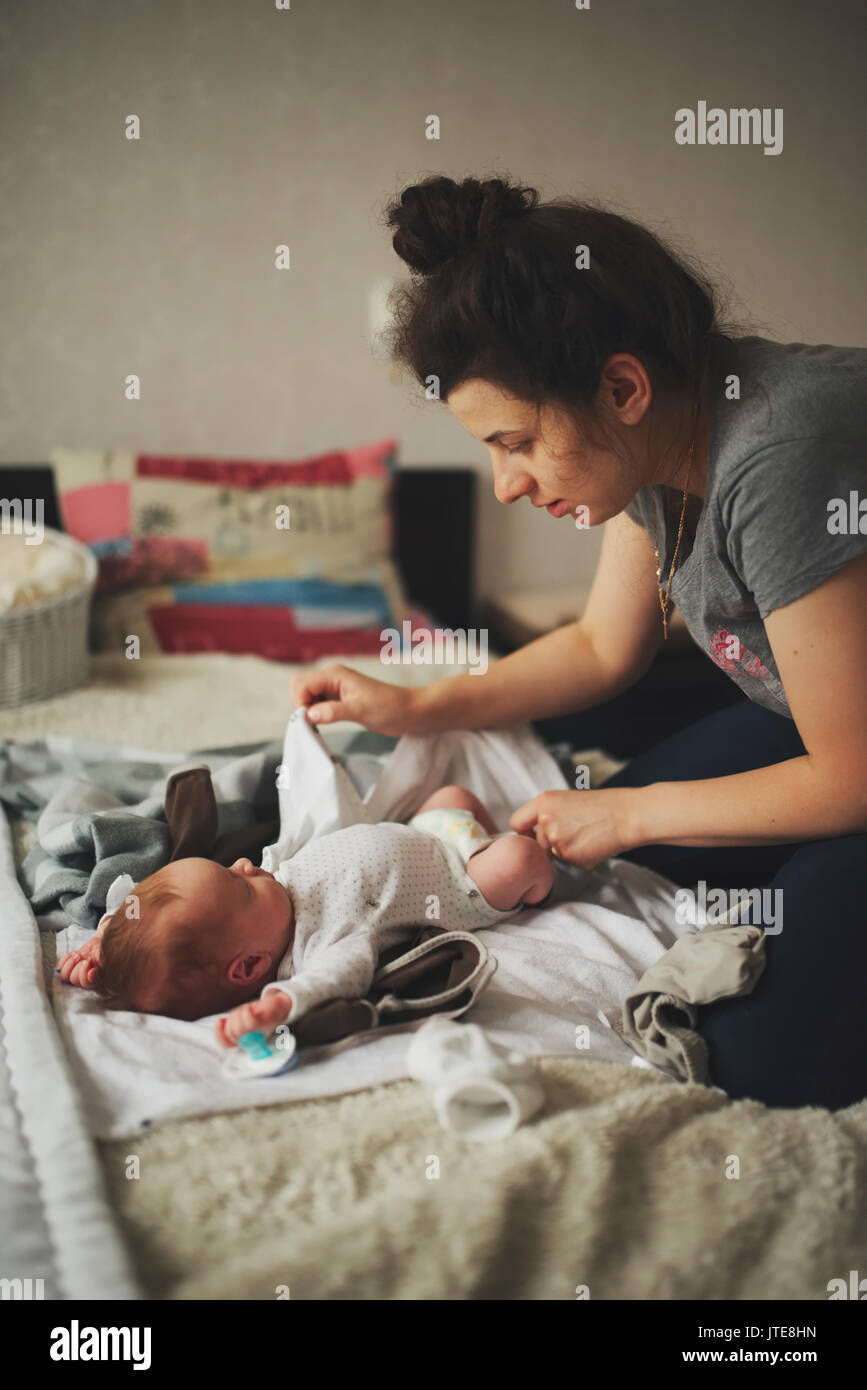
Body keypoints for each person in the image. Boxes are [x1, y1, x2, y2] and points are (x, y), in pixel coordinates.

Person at [290, 175, 867, 1111]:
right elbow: (603, 646)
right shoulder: (657, 440)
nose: (506, 484)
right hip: (828, 722)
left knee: (763, 1058)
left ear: (620, 386)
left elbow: (854, 773)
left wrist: (636, 815)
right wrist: (418, 704)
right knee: (592, 850)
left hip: (853, 752)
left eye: (515, 441)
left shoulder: (779, 457)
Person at [55, 784, 554, 1044]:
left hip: (427, 830)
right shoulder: (315, 947)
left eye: (233, 867)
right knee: (520, 859)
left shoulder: (269, 890)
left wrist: (110, 941)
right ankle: (538, 875)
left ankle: (484, 832)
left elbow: (146, 905)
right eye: (237, 881)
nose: (246, 864)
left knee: (455, 797)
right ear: (249, 967)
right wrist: (285, 1003)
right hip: (464, 880)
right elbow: (344, 976)